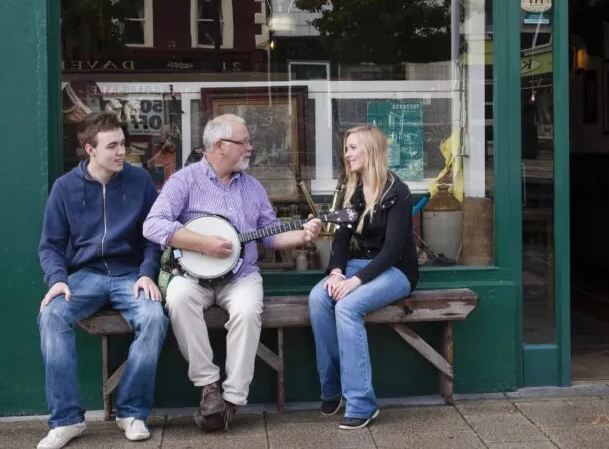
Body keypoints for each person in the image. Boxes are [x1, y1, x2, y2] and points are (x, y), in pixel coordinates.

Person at [143, 113, 322, 432]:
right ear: (220, 145)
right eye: (244, 142)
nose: (251, 147)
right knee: (179, 298)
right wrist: (201, 243)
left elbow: (269, 233)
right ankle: (209, 387)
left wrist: (302, 235)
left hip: (240, 276)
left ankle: (232, 401)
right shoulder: (185, 181)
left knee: (247, 310)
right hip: (192, 276)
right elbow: (153, 225)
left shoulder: (252, 188)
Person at [37, 111, 169, 449]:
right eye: (112, 146)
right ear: (89, 149)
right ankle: (67, 420)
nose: (122, 151)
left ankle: (132, 412)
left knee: (154, 318)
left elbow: (154, 236)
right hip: (86, 276)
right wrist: (57, 279)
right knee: (51, 315)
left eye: (123, 143)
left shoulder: (139, 181)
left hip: (130, 275)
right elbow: (51, 244)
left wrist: (147, 272)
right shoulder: (65, 188)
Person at [308, 125, 419, 430]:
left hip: (396, 270)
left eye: (353, 147)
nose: (347, 154)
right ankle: (332, 390)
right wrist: (336, 271)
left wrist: (353, 283)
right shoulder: (353, 188)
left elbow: (394, 251)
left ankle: (361, 403)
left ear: (370, 150)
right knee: (318, 297)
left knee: (347, 306)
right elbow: (342, 239)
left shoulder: (398, 191)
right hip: (361, 265)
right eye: (346, 148)